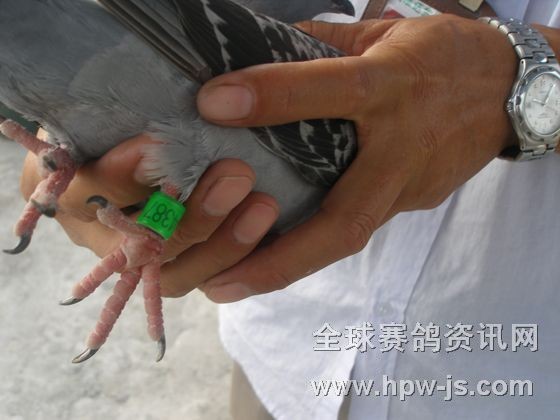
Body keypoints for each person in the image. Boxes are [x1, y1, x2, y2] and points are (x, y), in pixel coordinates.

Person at [19, 0, 560, 418]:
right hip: (287, 356)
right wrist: (74, 140)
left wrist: (532, 80)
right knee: (171, 199)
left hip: (504, 384)